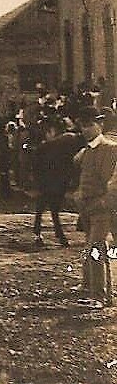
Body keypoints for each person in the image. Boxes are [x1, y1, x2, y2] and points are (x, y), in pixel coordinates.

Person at [72, 107, 117, 308]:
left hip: (101, 206)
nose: (85, 129)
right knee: (92, 247)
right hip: (87, 206)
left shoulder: (109, 148)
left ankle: (100, 296)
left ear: (100, 125)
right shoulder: (87, 150)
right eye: (83, 125)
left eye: (89, 125)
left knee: (96, 248)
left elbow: (110, 182)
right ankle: (89, 286)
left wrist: (104, 202)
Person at [32, 117, 81, 247]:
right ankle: (54, 233)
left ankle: (41, 232)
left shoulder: (49, 144)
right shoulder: (71, 139)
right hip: (57, 176)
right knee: (52, 205)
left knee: (46, 205)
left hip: (49, 176)